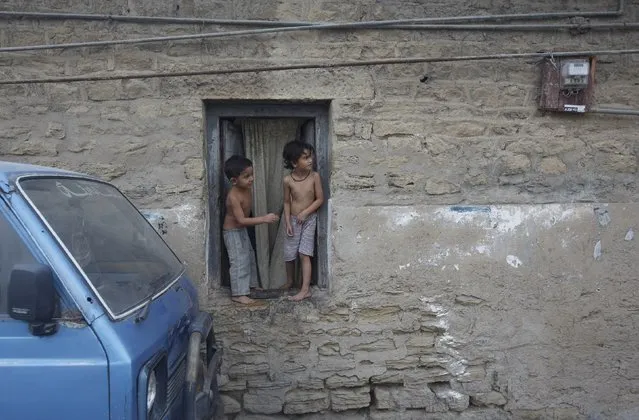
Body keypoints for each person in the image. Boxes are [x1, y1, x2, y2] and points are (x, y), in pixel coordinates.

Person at [223, 155, 279, 305]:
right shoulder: (233, 196)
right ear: (234, 180)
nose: (251, 179)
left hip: (241, 231)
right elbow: (240, 220)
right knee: (239, 261)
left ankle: (250, 287)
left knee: (249, 256)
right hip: (232, 233)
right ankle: (238, 293)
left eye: (251, 175)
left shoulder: (246, 189)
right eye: (246, 176)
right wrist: (264, 219)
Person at [281, 141, 324, 301]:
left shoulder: (314, 177)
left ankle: (305, 289)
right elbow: (286, 202)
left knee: (304, 253)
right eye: (305, 158)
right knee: (289, 253)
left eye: (310, 156)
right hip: (293, 220)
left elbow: (320, 199)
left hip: (309, 219)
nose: (310, 160)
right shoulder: (288, 180)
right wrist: (287, 221)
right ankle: (290, 281)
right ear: (294, 162)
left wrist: (306, 212)